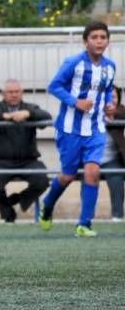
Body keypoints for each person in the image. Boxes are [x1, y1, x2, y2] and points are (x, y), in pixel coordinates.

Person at [39, 21, 116, 237]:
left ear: (108, 41)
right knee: (68, 176)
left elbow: (108, 89)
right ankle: (48, 204)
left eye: (103, 37)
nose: (99, 41)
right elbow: (54, 86)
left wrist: (109, 104)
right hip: (70, 129)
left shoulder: (110, 67)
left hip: (96, 129)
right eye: (94, 37)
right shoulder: (74, 63)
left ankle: (84, 224)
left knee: (93, 172)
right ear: (85, 41)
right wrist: (76, 102)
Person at [0, 79, 52, 222]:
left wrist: (28, 114)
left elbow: (46, 117)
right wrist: (3, 117)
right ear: (3, 94)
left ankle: (19, 200)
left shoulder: (30, 107)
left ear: (22, 93)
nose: (14, 95)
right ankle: (7, 212)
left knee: (42, 180)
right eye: (10, 92)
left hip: (28, 161)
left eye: (17, 92)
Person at [102, 85, 125, 221]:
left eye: (115, 97)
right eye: (108, 97)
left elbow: (122, 113)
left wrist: (112, 113)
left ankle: (117, 216)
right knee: (86, 180)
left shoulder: (120, 112)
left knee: (117, 178)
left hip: (112, 160)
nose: (112, 100)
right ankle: (87, 218)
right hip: (90, 158)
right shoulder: (93, 112)